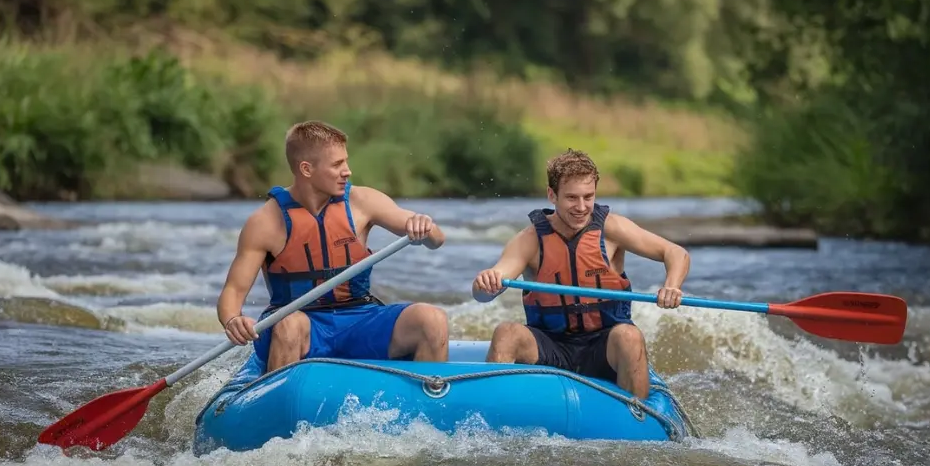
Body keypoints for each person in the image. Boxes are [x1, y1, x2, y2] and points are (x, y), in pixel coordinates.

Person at [217, 120, 450, 373]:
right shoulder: (264, 223)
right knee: (289, 324)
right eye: (337, 164)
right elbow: (232, 292)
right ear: (306, 169)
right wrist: (232, 319)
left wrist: (425, 227)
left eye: (346, 162)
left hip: (360, 318)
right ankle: (278, 400)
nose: (347, 171)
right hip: (301, 326)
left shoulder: (363, 201)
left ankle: (427, 404)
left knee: (431, 319)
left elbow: (436, 240)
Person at [470, 149, 690, 399]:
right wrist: (486, 283)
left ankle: (639, 416)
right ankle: (494, 412)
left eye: (588, 197)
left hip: (603, 346)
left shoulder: (612, 229)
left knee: (629, 336)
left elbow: (675, 252)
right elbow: (484, 294)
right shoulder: (529, 240)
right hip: (550, 345)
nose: (582, 207)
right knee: (506, 332)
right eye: (572, 198)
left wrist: (672, 285)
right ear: (552, 195)